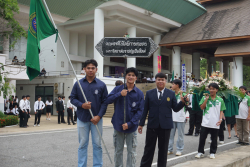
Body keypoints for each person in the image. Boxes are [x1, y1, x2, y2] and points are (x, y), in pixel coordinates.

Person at [139, 73, 185, 167]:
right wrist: (141, 124)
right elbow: (145, 109)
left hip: (165, 125)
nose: (160, 81)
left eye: (163, 80)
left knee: (163, 150)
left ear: (166, 81)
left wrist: (183, 102)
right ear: (155, 80)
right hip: (152, 124)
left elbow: (175, 108)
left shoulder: (171, 93)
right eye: (159, 79)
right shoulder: (149, 93)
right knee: (148, 149)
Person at [100, 67, 144, 167]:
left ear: (136, 78)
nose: (131, 77)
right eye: (129, 75)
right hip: (118, 126)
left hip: (131, 128)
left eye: (133, 75)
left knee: (131, 152)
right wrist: (119, 94)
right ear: (125, 76)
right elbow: (107, 100)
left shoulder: (139, 93)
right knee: (118, 151)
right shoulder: (118, 89)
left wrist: (130, 123)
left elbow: (140, 111)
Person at [70, 59, 108, 167]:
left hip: (97, 120)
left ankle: (97, 165)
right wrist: (82, 105)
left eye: (92, 68)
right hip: (82, 118)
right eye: (88, 68)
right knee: (82, 144)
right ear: (84, 69)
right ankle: (82, 165)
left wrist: (99, 116)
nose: (90, 70)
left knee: (97, 145)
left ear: (96, 69)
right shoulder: (78, 84)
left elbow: (105, 103)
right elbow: (72, 98)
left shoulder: (101, 85)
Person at [195, 83, 226, 159]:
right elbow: (202, 107)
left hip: (215, 122)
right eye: (210, 88)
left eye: (213, 89)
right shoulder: (204, 97)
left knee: (214, 138)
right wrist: (206, 99)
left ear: (216, 90)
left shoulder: (220, 100)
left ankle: (212, 152)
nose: (211, 90)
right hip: (205, 122)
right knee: (202, 138)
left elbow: (221, 110)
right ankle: (200, 152)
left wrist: (220, 119)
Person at [168, 79, 189, 156]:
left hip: (180, 117)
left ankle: (179, 149)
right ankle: (169, 149)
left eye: (173, 84)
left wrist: (186, 100)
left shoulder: (183, 94)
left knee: (180, 135)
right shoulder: (171, 94)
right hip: (171, 117)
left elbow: (187, 104)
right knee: (170, 134)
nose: (171, 86)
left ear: (177, 85)